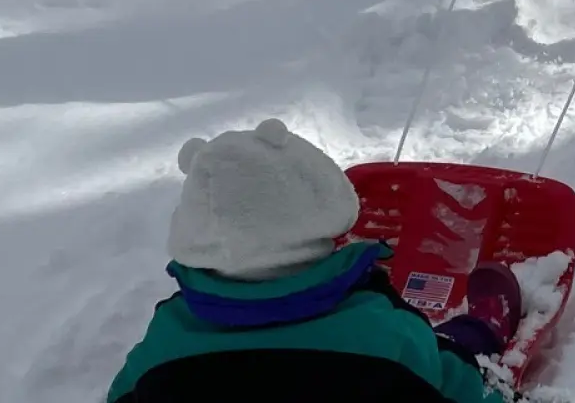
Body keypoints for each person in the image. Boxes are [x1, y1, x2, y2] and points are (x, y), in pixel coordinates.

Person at [107, 119, 516, 403]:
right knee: (448, 351)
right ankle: (483, 330)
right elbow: (459, 389)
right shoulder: (381, 332)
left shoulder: (164, 342)